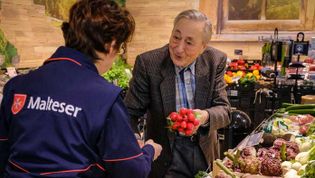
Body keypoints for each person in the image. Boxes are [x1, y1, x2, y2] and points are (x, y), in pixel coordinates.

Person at [0, 0, 162, 178]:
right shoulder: (105, 98)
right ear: (110, 44)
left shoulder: (16, 86)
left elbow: (3, 150)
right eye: (121, 47)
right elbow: (132, 170)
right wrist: (149, 151)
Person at [124, 9, 231, 178]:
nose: (179, 48)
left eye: (189, 42)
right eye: (176, 37)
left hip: (204, 153)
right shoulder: (148, 63)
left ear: (203, 47)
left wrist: (203, 116)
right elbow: (129, 113)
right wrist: (136, 140)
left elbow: (224, 111)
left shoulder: (215, 60)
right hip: (165, 158)